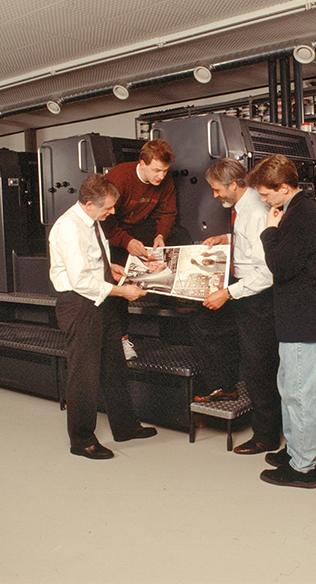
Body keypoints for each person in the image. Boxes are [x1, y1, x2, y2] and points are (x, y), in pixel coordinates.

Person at [49, 173, 158, 460]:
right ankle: (82, 439)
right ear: (87, 204)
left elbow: (94, 260)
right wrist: (123, 293)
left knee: (114, 365)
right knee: (84, 374)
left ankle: (126, 426)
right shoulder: (69, 229)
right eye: (107, 208)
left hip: (101, 300)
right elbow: (81, 280)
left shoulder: (91, 221)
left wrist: (112, 269)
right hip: (80, 304)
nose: (111, 213)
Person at [248, 154, 316, 488]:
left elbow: (281, 267)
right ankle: (294, 450)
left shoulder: (301, 216)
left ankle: (302, 468)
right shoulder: (299, 210)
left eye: (267, 194)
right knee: (290, 389)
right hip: (299, 318)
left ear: (284, 187)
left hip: (305, 320)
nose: (264, 200)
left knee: (303, 395)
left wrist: (269, 232)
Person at [189, 158, 282, 455]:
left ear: (233, 185)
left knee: (259, 369)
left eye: (217, 190)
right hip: (247, 295)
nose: (215, 196)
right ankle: (224, 387)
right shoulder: (247, 206)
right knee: (209, 329)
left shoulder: (255, 211)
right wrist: (226, 239)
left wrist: (227, 293)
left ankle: (265, 436)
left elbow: (265, 273)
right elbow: (251, 245)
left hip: (256, 298)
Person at [103, 138, 186, 360]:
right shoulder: (119, 178)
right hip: (114, 228)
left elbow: (168, 214)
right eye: (156, 170)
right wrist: (126, 241)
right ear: (142, 163)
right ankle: (121, 339)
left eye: (165, 170)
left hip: (143, 226)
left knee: (180, 235)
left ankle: (173, 305)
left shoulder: (165, 180)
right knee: (119, 278)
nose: (161, 176)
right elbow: (106, 219)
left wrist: (161, 235)